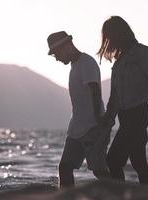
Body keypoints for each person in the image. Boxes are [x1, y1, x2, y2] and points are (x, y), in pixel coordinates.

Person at [97, 16, 148, 184]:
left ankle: (121, 195)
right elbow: (115, 95)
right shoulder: (119, 62)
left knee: (113, 160)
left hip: (138, 114)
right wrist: (108, 118)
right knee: (138, 162)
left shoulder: (142, 52)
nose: (108, 41)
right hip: (124, 116)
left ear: (119, 34)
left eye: (110, 36)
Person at [47, 31, 110, 188]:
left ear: (67, 46)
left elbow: (95, 90)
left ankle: (122, 194)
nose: (56, 58)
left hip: (92, 128)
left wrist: (98, 119)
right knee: (65, 168)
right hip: (76, 129)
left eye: (56, 53)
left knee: (99, 171)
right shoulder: (76, 66)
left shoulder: (87, 63)